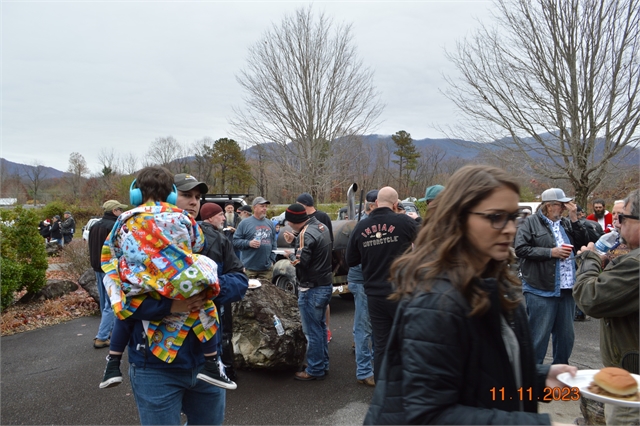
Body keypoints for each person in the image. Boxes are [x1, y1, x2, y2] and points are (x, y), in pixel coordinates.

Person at [365, 165, 577, 425]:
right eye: (496, 217)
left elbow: (482, 373)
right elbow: (429, 416)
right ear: (459, 218)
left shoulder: (492, 280)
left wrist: (539, 378)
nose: (510, 228)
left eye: (513, 216)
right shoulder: (435, 300)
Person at [100, 167, 236, 409]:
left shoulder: (124, 218)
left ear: (135, 193)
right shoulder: (182, 217)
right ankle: (211, 362)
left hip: (138, 280)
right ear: (173, 194)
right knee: (204, 308)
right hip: (174, 280)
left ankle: (112, 363)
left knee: (125, 312)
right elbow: (197, 243)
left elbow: (113, 247)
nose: (193, 202)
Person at [574, 189, 639, 426]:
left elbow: (590, 298)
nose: (617, 225)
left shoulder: (635, 264)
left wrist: (589, 260)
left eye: (622, 218)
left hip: (631, 387)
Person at [346, 186, 418, 382]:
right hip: (400, 292)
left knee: (381, 343)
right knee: (405, 340)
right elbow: (426, 246)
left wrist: (372, 253)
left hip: (374, 294)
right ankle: (407, 384)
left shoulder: (361, 226)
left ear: (376, 203)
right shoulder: (404, 221)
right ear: (396, 204)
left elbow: (350, 260)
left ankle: (383, 386)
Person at [514, 188, 589, 364]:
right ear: (549, 206)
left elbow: (582, 243)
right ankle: (533, 379)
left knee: (565, 338)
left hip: (567, 289)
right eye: (560, 205)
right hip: (540, 289)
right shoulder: (530, 223)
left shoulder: (565, 223)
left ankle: (560, 376)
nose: (563, 208)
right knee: (538, 338)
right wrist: (550, 252)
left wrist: (574, 219)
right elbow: (520, 249)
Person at [198, 201, 248, 382]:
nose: (222, 218)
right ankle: (224, 369)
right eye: (219, 215)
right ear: (210, 217)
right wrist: (212, 290)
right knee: (223, 331)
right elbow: (237, 272)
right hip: (216, 302)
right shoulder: (218, 239)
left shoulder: (215, 235)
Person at [283, 203, 333, 381]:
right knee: (320, 328)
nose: (288, 224)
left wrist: (289, 254)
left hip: (311, 288)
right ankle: (320, 363)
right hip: (325, 284)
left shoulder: (306, 233)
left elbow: (301, 262)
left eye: (289, 221)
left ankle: (315, 369)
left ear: (294, 221)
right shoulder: (321, 226)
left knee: (311, 331)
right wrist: (296, 241)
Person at [295, 192, 335, 342]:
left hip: (318, 268)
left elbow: (326, 240)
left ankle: (327, 330)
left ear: (303, 205)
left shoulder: (322, 217)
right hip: (319, 269)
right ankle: (324, 333)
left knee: (321, 306)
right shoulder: (305, 222)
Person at [89, 199, 127, 349]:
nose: (122, 212)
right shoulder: (115, 227)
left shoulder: (94, 226)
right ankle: (102, 336)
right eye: (120, 209)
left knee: (104, 302)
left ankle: (108, 331)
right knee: (111, 304)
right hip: (110, 269)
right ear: (114, 211)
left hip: (97, 267)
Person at [347, 196, 376, 387]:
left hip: (366, 281)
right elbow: (352, 257)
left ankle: (369, 359)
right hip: (362, 280)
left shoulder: (369, 223)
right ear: (373, 205)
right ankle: (364, 371)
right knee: (364, 326)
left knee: (366, 323)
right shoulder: (365, 226)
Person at [233, 197, 277, 281]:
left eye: (265, 206)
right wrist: (249, 243)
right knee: (249, 293)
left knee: (265, 293)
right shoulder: (244, 223)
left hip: (266, 269)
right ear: (254, 208)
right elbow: (235, 241)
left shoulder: (270, 223)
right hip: (249, 268)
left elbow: (274, 243)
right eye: (262, 206)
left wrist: (272, 260)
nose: (264, 208)